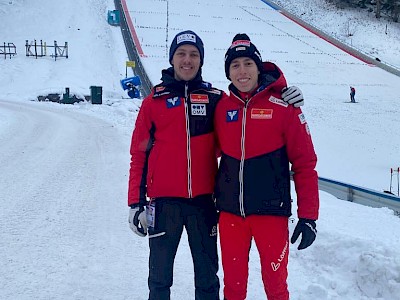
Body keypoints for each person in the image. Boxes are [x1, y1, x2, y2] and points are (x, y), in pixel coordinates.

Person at [127, 30, 305, 300]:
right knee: (159, 279)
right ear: (172, 58)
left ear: (201, 60)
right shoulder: (154, 101)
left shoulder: (215, 100)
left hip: (204, 204)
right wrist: (135, 203)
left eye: (194, 54)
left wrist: (284, 90)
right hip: (164, 204)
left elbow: (249, 102)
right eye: (181, 54)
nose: (187, 60)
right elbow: (138, 155)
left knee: (208, 279)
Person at [214, 33, 319, 300]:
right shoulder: (221, 108)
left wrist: (309, 217)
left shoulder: (285, 106)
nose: (242, 71)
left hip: (271, 214)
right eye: (235, 65)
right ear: (228, 72)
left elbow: (305, 164)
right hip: (230, 214)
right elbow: (204, 152)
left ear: (258, 67)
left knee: (276, 287)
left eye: (248, 63)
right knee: (233, 288)